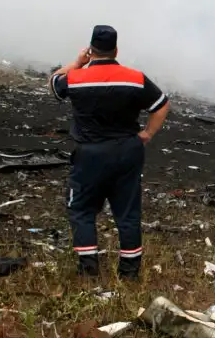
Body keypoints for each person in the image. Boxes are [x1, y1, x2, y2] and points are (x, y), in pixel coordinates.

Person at [48, 25, 170, 280]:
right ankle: (129, 272)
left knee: (81, 209)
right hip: (127, 151)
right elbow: (161, 104)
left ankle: (89, 269)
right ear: (116, 50)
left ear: (91, 50)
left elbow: (53, 84)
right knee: (127, 212)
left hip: (90, 153)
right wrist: (147, 134)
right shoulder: (135, 78)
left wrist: (77, 63)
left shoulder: (75, 78)